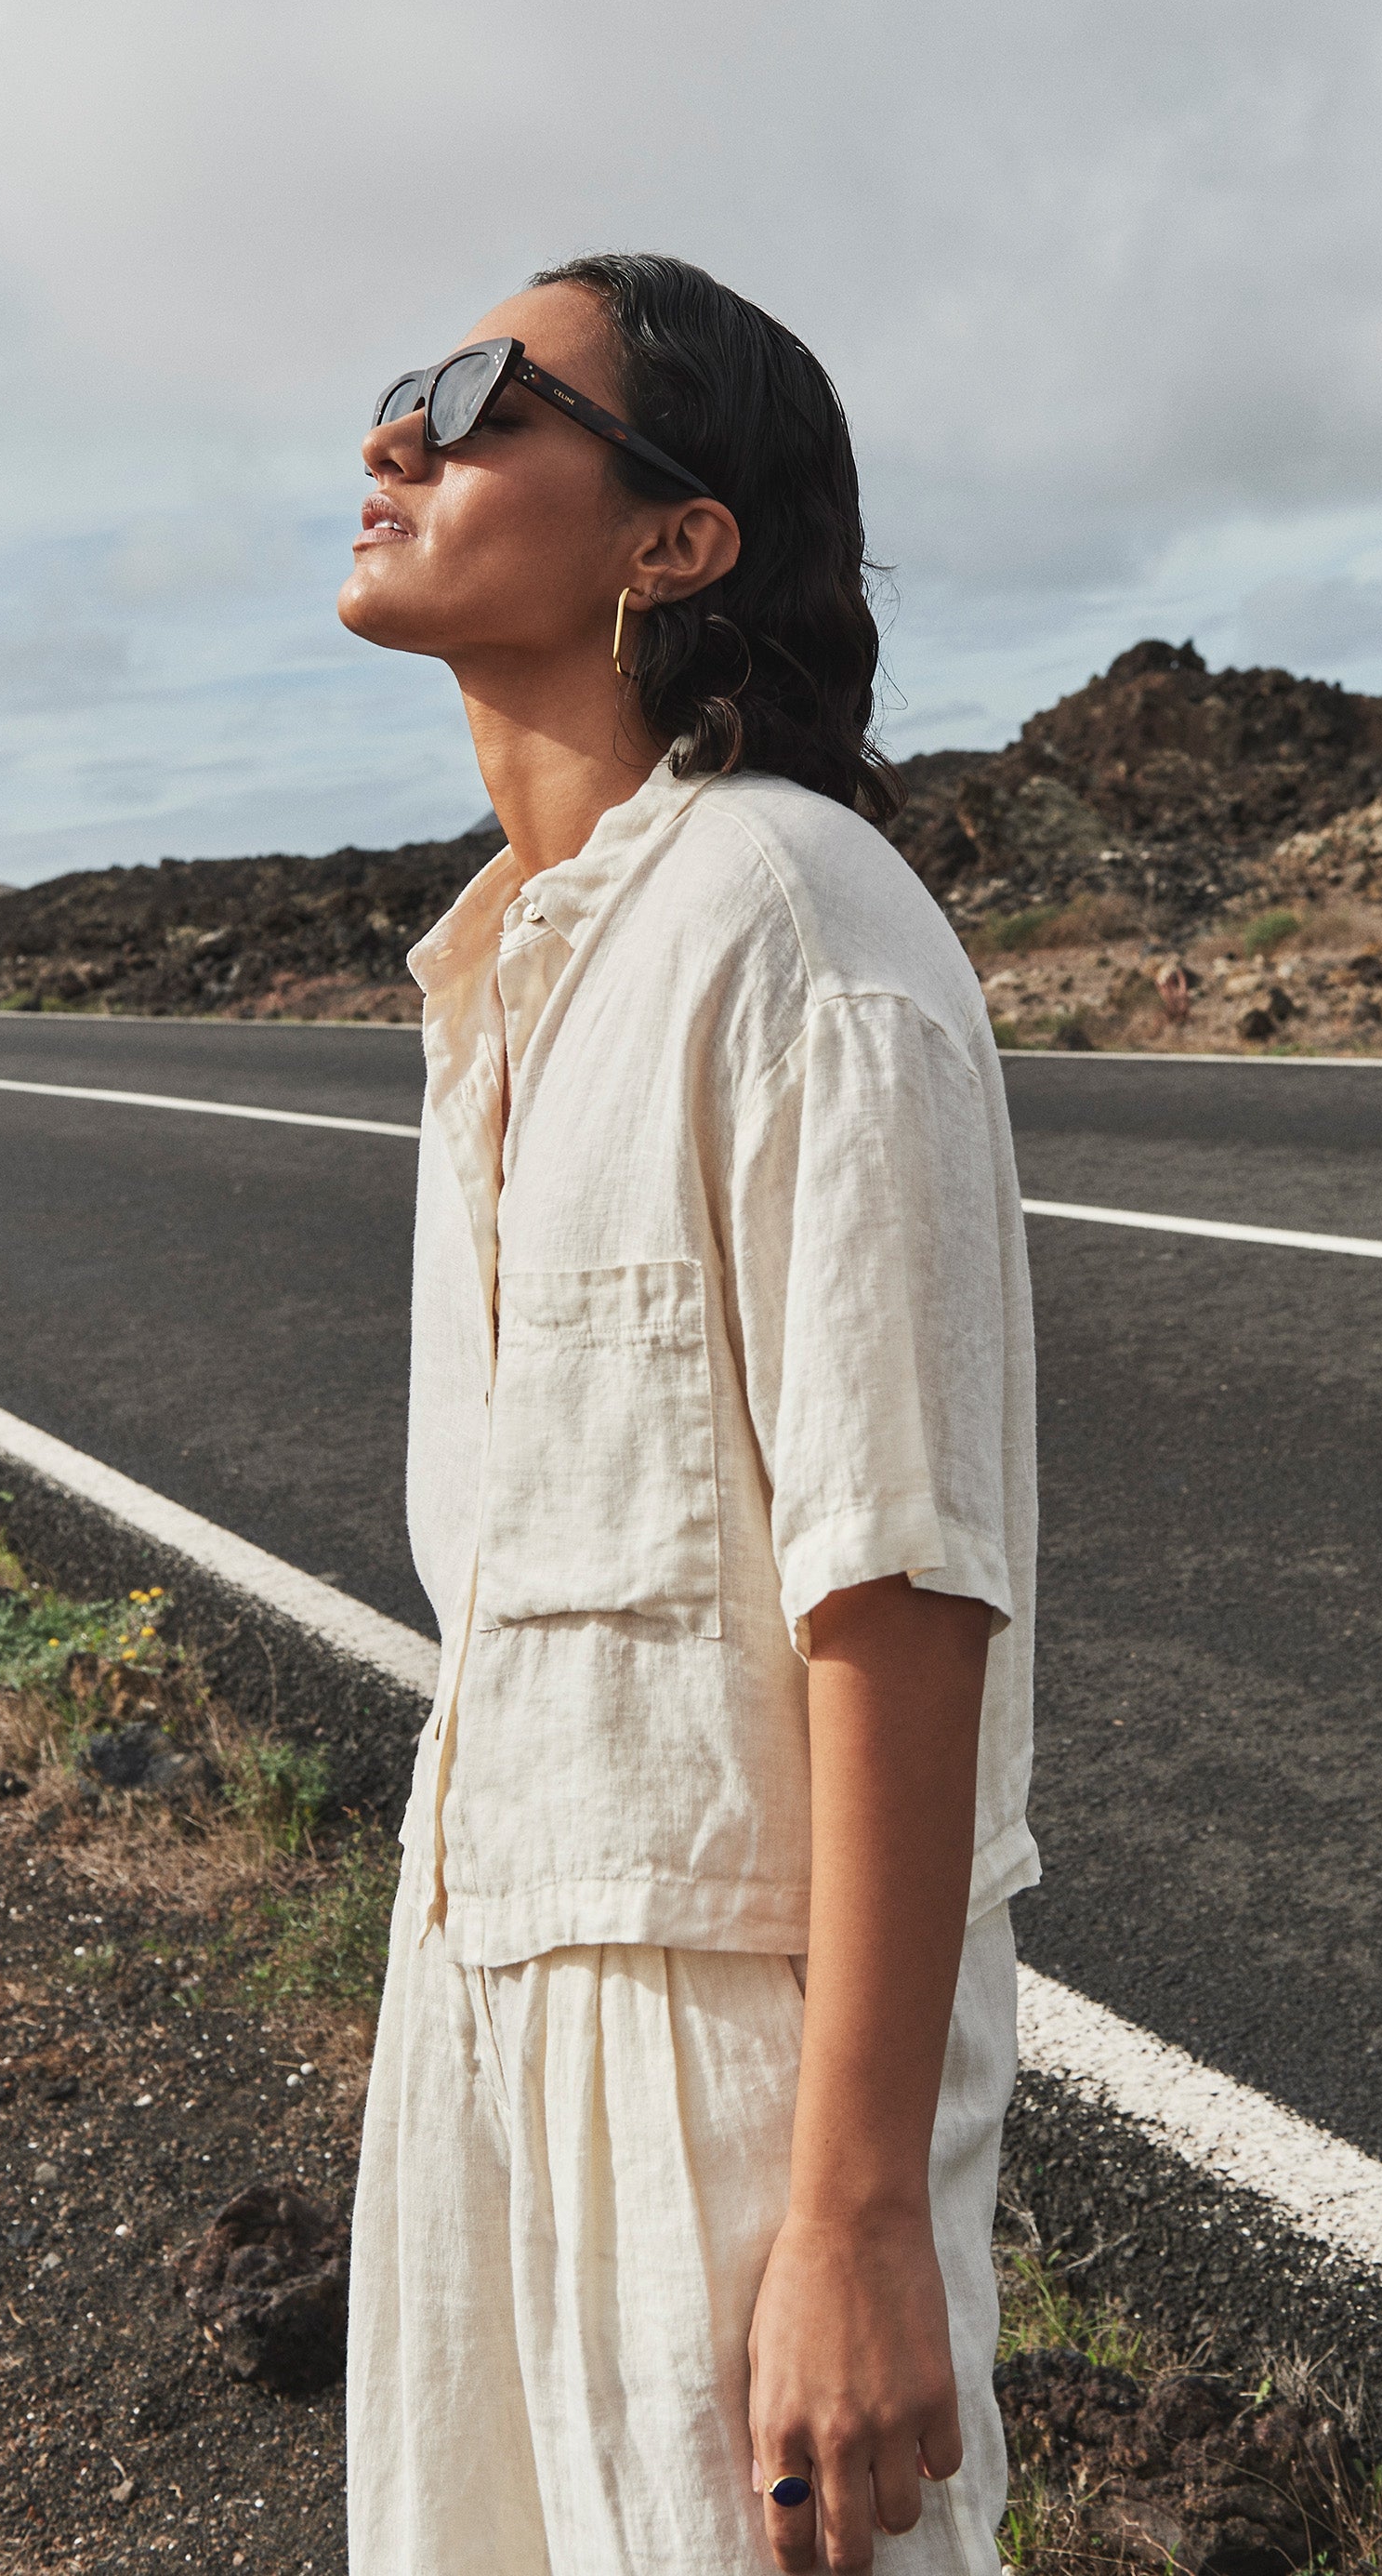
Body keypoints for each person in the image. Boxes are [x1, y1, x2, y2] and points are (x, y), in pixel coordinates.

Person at [337, 252, 1037, 2576]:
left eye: (481, 397)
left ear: (677, 534)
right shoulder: (504, 972)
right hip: (487, 1984)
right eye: (401, 390)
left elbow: (900, 1586)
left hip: (732, 2062)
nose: (398, 439)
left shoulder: (792, 924)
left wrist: (849, 2224)